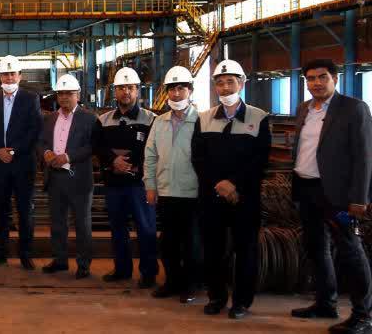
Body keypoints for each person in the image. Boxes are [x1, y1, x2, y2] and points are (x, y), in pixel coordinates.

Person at [289, 59, 372, 334]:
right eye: (311, 78)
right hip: (307, 189)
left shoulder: (353, 108)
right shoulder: (303, 109)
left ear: (334, 78)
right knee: (316, 248)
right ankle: (326, 303)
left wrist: (359, 197)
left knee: (350, 250)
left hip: (337, 195)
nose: (316, 83)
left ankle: (363, 315)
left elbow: (364, 156)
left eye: (322, 77)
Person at [192, 59, 271, 320]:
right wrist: (219, 184)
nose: (225, 87)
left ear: (242, 83)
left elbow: (260, 159)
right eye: (220, 83)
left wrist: (234, 184)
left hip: (244, 197)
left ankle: (241, 302)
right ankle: (216, 297)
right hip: (212, 196)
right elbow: (198, 158)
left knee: (245, 250)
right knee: (213, 249)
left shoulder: (259, 118)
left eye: (230, 82)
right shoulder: (204, 118)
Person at [94, 67, 157, 287]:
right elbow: (98, 146)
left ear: (137, 90)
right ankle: (122, 269)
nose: (126, 92)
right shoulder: (103, 120)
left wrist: (131, 164)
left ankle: (148, 273)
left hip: (139, 185)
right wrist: (114, 161)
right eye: (121, 88)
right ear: (115, 91)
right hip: (114, 184)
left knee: (146, 229)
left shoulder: (151, 119)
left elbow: (152, 148)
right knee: (118, 229)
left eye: (130, 87)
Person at [0, 55, 43, 270]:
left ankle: (25, 254)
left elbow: (34, 130)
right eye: (5, 74)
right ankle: (0, 253)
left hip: (22, 163)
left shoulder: (31, 98)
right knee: (0, 210)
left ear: (20, 76)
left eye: (12, 74)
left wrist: (14, 151)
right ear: (0, 76)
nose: (8, 78)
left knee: (25, 210)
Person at [144, 65, 201, 304]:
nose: (176, 94)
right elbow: (150, 155)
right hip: (166, 191)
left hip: (193, 193)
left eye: (181, 88)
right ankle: (172, 282)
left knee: (192, 243)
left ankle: (190, 285)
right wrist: (150, 185)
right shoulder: (159, 122)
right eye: (172, 89)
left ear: (190, 90)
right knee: (168, 243)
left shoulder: (201, 121)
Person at [38, 74, 100, 279]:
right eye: (61, 93)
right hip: (55, 178)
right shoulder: (49, 119)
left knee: (82, 223)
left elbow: (92, 146)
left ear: (78, 95)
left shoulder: (89, 118)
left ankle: (83, 264)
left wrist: (68, 156)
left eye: (69, 93)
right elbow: (41, 142)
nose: (64, 97)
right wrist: (46, 153)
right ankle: (60, 259)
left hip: (79, 179)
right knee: (57, 222)